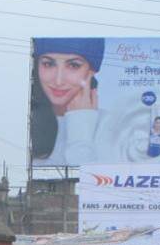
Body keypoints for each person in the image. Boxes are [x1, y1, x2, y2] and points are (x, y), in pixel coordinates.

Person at [29, 37, 110, 167]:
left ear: (91, 70)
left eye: (73, 65)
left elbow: (91, 182)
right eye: (48, 64)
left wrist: (81, 121)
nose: (58, 81)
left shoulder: (114, 126)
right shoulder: (27, 119)